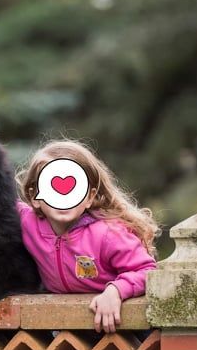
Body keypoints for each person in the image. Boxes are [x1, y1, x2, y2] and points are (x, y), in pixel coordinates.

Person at [16, 139, 158, 333]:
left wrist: (115, 291)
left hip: (120, 328)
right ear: (34, 197)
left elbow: (147, 270)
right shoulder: (26, 223)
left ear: (90, 197)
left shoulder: (108, 233)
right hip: (68, 330)